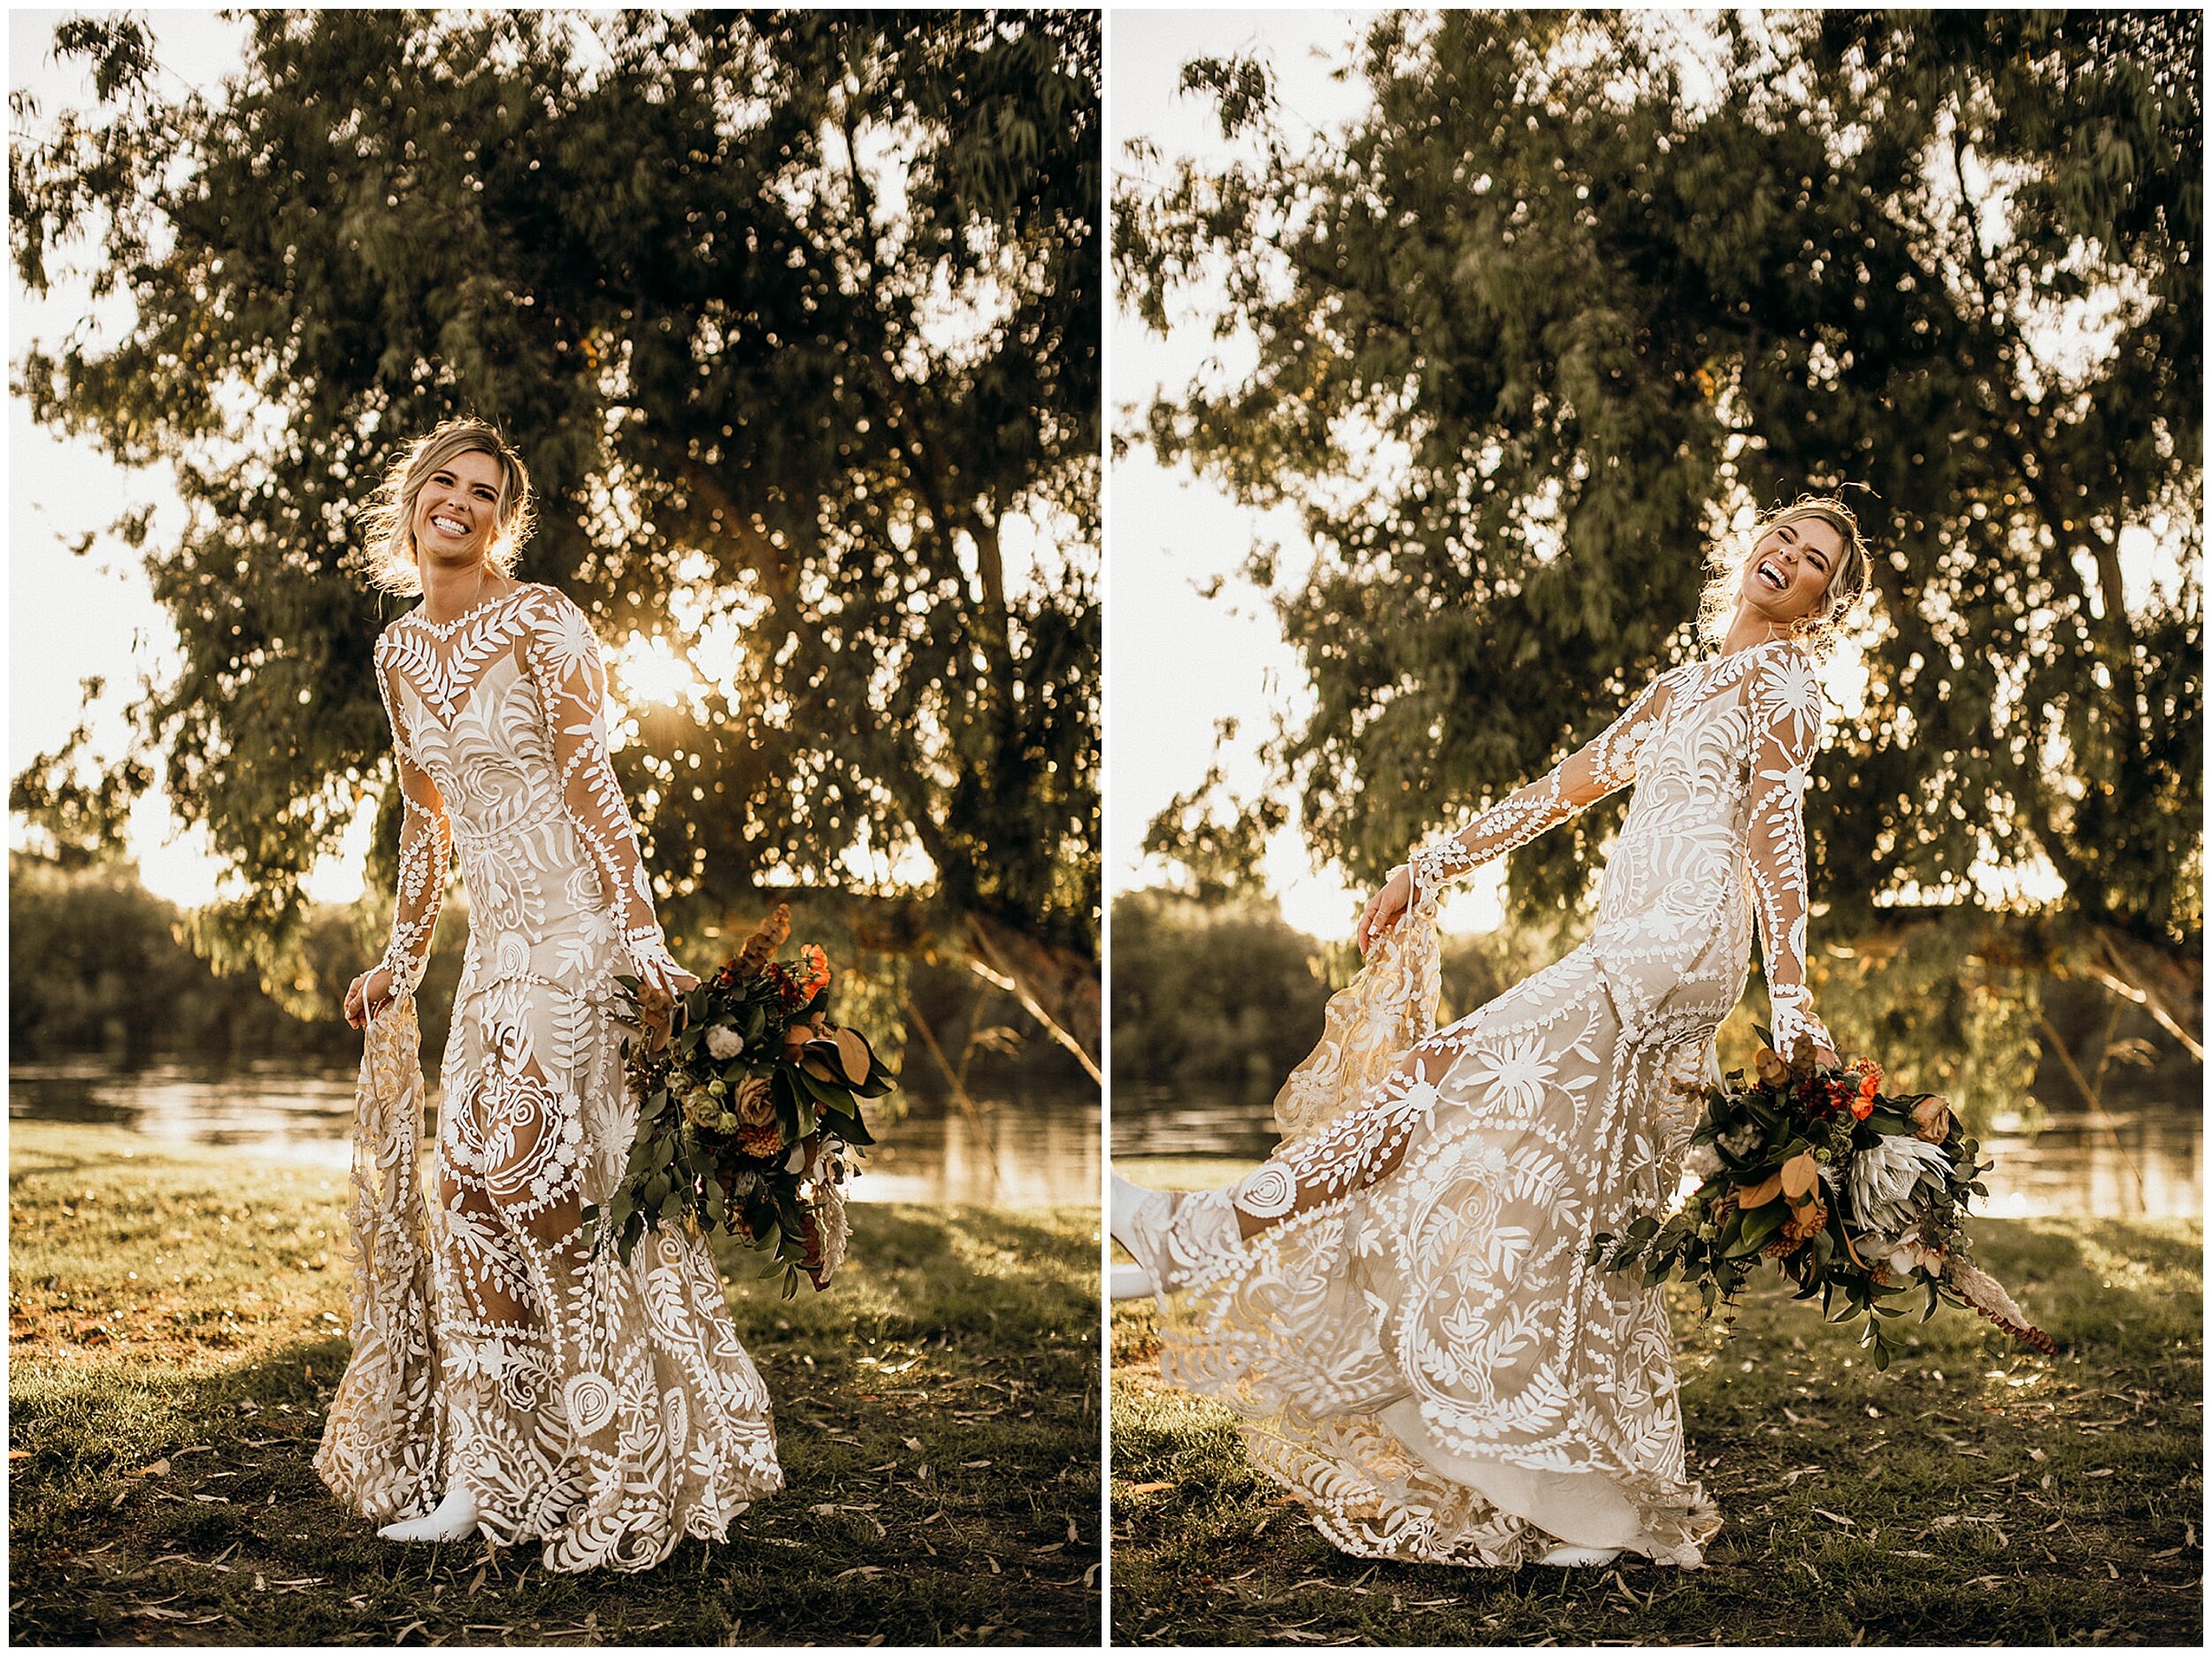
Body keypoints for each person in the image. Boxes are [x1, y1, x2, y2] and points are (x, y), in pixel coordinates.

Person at [1111, 496, 1872, 1569]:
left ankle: (1191, 1234)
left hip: (1671, 951)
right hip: (1637, 940)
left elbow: (1774, 831)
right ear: (1750, 550)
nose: (1786, 560)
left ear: (1820, 603)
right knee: (1579, 1215)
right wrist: (1432, 864)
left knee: (1434, 1077)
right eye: (1781, 539)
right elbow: (1554, 793)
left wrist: (1792, 1006)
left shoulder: (1781, 679)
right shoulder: (1687, 684)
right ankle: (1600, 1510)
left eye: (1813, 563)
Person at [314, 418, 780, 1571]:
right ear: (415, 498)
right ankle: (489, 1485)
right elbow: (426, 821)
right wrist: (400, 961)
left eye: (483, 492)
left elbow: (592, 782)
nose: (459, 503)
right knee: (468, 1200)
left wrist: (641, 935)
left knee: (535, 1170)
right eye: (444, 484)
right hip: (493, 954)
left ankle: (619, 1460)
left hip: (575, 936)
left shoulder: (544, 620)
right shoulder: (397, 655)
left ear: (501, 518)